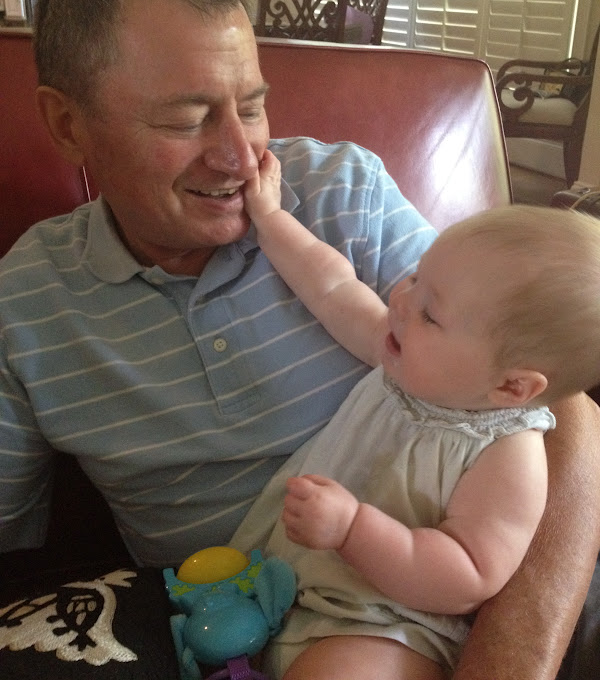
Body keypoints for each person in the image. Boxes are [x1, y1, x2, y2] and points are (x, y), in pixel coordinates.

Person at [0, 0, 598, 680]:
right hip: (234, 613)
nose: (240, 155)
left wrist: (508, 660)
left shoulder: (342, 193)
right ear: (67, 123)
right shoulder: (25, 306)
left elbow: (544, 397)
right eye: (186, 118)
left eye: (251, 105)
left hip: (426, 601)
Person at [232, 155, 600, 679]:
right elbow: (332, 287)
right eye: (414, 277)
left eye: (430, 312)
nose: (400, 300)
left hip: (386, 623)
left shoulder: (508, 455)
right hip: (281, 588)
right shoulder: (400, 358)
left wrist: (354, 528)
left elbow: (469, 574)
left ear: (511, 386)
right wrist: (269, 218)